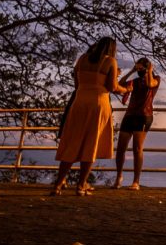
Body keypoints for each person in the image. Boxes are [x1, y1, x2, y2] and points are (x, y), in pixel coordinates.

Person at [50, 37, 127, 196]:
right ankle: (81, 185)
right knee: (91, 143)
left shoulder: (83, 59)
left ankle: (58, 185)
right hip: (98, 104)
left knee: (73, 142)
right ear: (112, 49)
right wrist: (125, 90)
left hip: (79, 103)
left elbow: (77, 82)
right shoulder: (110, 61)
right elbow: (112, 87)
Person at [113, 57, 160, 191]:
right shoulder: (135, 80)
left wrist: (150, 71)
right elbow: (120, 84)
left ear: (147, 68)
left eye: (141, 69)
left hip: (143, 116)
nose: (139, 71)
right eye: (137, 68)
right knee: (121, 148)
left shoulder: (156, 78)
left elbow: (150, 84)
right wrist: (131, 71)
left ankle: (136, 181)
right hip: (129, 116)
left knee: (137, 148)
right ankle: (119, 177)